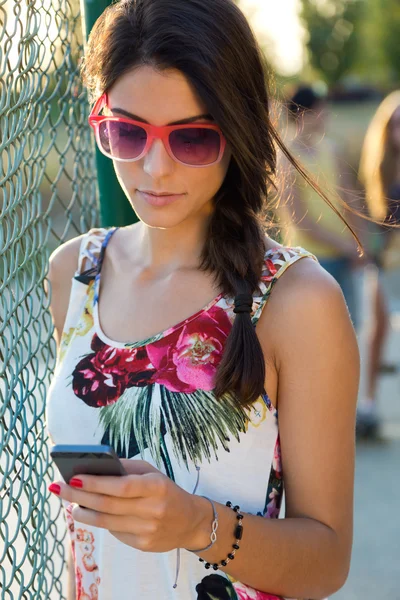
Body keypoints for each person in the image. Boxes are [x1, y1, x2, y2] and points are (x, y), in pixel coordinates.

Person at [43, 2, 360, 599]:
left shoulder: (297, 301)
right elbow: (82, 545)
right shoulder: (74, 274)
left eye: (191, 138)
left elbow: (327, 562)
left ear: (236, 131)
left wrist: (196, 524)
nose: (153, 168)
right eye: (128, 132)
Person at [278, 85, 367, 332]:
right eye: (321, 110)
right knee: (316, 331)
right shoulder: (286, 158)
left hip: (343, 256)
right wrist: (346, 246)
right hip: (309, 261)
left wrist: (360, 243)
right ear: (304, 114)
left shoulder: (331, 150)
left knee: (349, 328)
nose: (326, 115)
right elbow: (299, 220)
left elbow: (351, 200)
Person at [357, 90, 400, 438]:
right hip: (387, 263)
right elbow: (377, 221)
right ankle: (368, 405)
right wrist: (371, 257)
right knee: (377, 331)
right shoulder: (380, 168)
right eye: (396, 125)